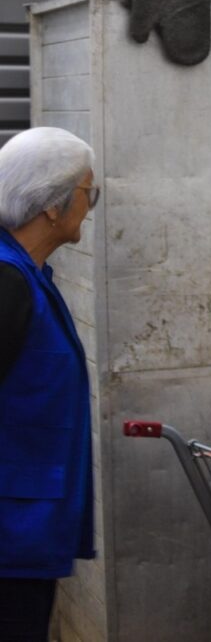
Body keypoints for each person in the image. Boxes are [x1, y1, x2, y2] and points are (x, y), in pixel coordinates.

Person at [0, 127, 99, 641]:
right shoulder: (7, 283)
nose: (92, 206)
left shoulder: (30, 274)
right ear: (52, 206)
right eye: (89, 193)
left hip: (25, 535)